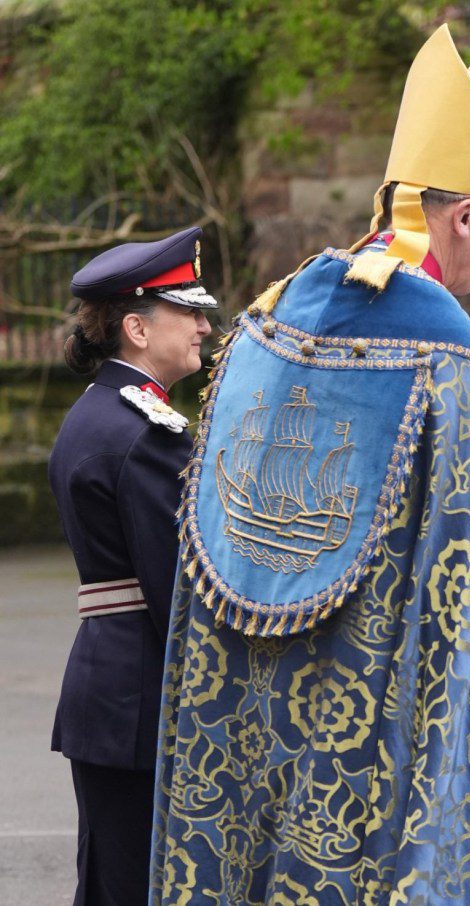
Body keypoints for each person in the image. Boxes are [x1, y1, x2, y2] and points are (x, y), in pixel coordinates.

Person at [150, 25, 470, 905]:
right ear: (459, 215)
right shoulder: (444, 344)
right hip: (372, 716)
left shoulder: (280, 307)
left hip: (260, 699)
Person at [49, 226, 216, 905]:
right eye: (189, 311)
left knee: (114, 883)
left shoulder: (107, 415)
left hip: (116, 695)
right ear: (137, 328)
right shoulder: (141, 433)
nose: (205, 326)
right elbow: (182, 587)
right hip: (143, 703)